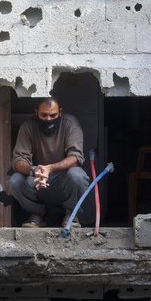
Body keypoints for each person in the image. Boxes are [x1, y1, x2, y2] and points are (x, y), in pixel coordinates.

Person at [7, 97, 90, 228]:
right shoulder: (28, 126)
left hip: (62, 178)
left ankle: (71, 215)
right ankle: (37, 214)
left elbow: (76, 157)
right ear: (36, 112)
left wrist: (50, 168)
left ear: (60, 112)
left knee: (77, 176)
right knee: (15, 181)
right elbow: (18, 161)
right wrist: (34, 170)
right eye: (44, 115)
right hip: (38, 178)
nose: (48, 119)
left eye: (53, 115)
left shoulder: (70, 123)